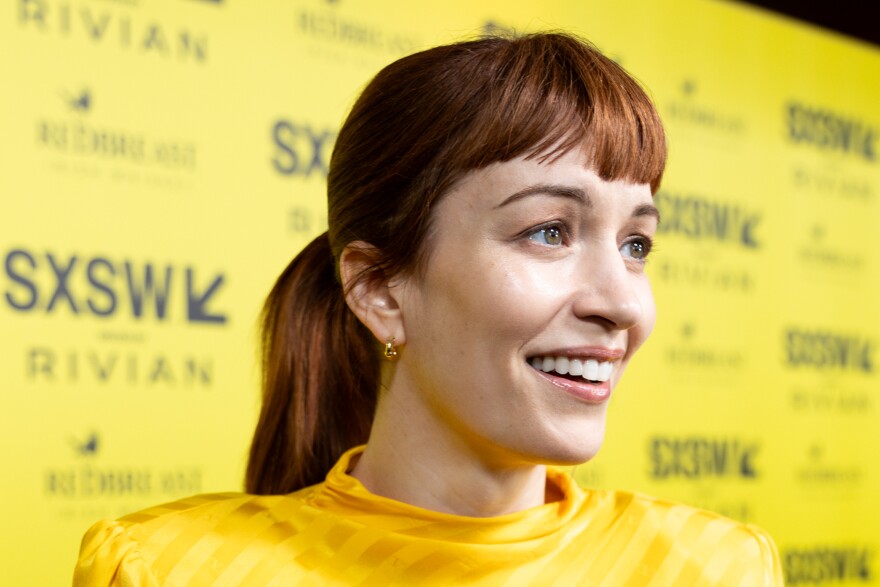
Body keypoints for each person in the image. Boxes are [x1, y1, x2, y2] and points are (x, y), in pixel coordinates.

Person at [74, 32, 784, 585]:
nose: (622, 303)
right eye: (549, 231)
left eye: (636, 243)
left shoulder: (718, 567)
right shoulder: (160, 569)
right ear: (380, 289)